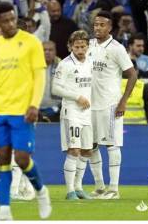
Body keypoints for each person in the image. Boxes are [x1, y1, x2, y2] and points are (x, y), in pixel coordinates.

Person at [0, 2, 51, 220]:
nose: (10, 23)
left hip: (22, 111)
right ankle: (4, 211)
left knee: (21, 158)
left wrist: (34, 105)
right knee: (1, 159)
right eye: (5, 21)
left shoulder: (31, 42)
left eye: (12, 18)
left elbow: (39, 76)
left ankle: (40, 191)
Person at [86, 11, 137, 199]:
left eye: (102, 25)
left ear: (110, 28)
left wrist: (123, 101)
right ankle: (100, 187)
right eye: (96, 24)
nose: (97, 28)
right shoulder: (88, 45)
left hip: (110, 104)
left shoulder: (117, 48)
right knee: (90, 146)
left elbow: (132, 74)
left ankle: (114, 189)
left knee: (112, 145)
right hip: (89, 104)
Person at [52, 30, 93, 200]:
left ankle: (78, 187)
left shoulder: (90, 62)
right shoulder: (65, 64)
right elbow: (55, 89)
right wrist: (77, 97)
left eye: (83, 46)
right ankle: (70, 190)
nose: (80, 49)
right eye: (77, 46)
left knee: (87, 151)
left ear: (88, 46)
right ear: (70, 46)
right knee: (74, 149)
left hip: (88, 112)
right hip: (72, 112)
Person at [40, 41, 61, 122]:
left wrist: (58, 107)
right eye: (44, 50)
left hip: (56, 111)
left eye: (50, 50)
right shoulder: (32, 67)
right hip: (35, 111)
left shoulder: (62, 67)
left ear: (55, 52)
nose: (47, 52)